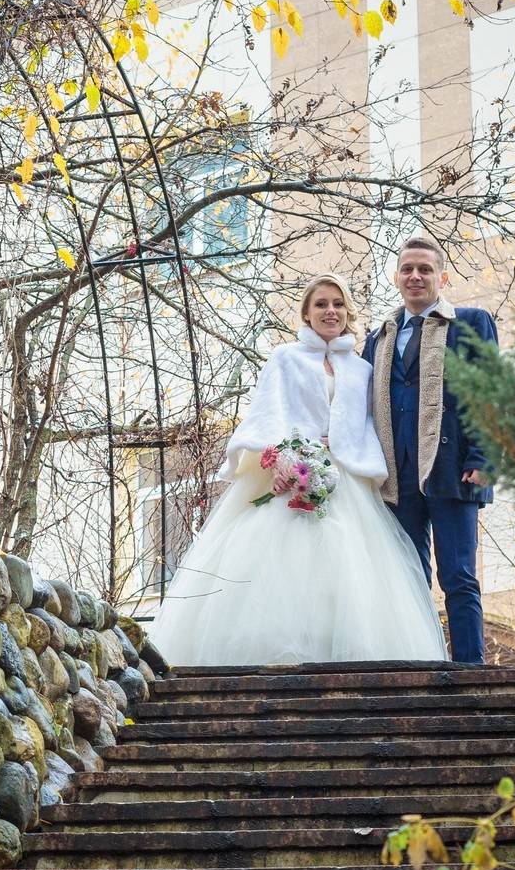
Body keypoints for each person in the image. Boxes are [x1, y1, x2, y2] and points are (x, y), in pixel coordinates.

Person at [150, 275, 447, 668]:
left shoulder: (360, 369)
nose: (330, 312)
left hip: (346, 482)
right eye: (321, 304)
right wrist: (282, 461)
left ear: (348, 313)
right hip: (289, 478)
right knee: (282, 571)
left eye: (338, 304)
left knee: (348, 576)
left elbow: (368, 426)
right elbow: (267, 415)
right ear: (306, 313)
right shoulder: (285, 357)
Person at [363, 234, 497, 664]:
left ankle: (470, 669)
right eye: (407, 269)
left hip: (453, 467)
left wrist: (484, 457)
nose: (415, 277)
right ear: (396, 277)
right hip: (396, 475)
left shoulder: (472, 322)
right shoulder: (378, 338)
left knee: (458, 576)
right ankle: (421, 664)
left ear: (442, 276)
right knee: (407, 578)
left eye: (425, 269)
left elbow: (491, 392)